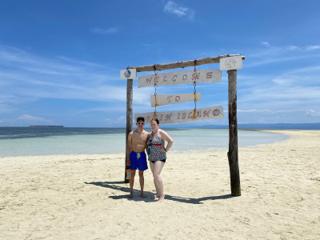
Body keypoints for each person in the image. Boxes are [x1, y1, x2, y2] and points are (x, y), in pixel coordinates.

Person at [147, 118, 173, 201]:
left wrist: (165, 150)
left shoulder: (161, 132)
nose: (153, 126)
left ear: (158, 125)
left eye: (154, 124)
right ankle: (158, 193)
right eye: (151, 124)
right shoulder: (150, 134)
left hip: (160, 157)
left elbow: (171, 141)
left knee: (156, 175)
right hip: (151, 157)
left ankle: (162, 195)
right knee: (154, 176)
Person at [128, 117, 149, 198]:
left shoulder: (147, 134)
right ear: (136, 124)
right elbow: (129, 147)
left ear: (144, 124)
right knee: (132, 174)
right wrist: (128, 159)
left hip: (142, 155)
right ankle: (131, 191)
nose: (140, 125)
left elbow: (148, 146)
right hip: (133, 155)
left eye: (142, 123)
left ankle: (142, 192)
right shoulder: (131, 134)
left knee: (141, 174)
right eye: (139, 123)